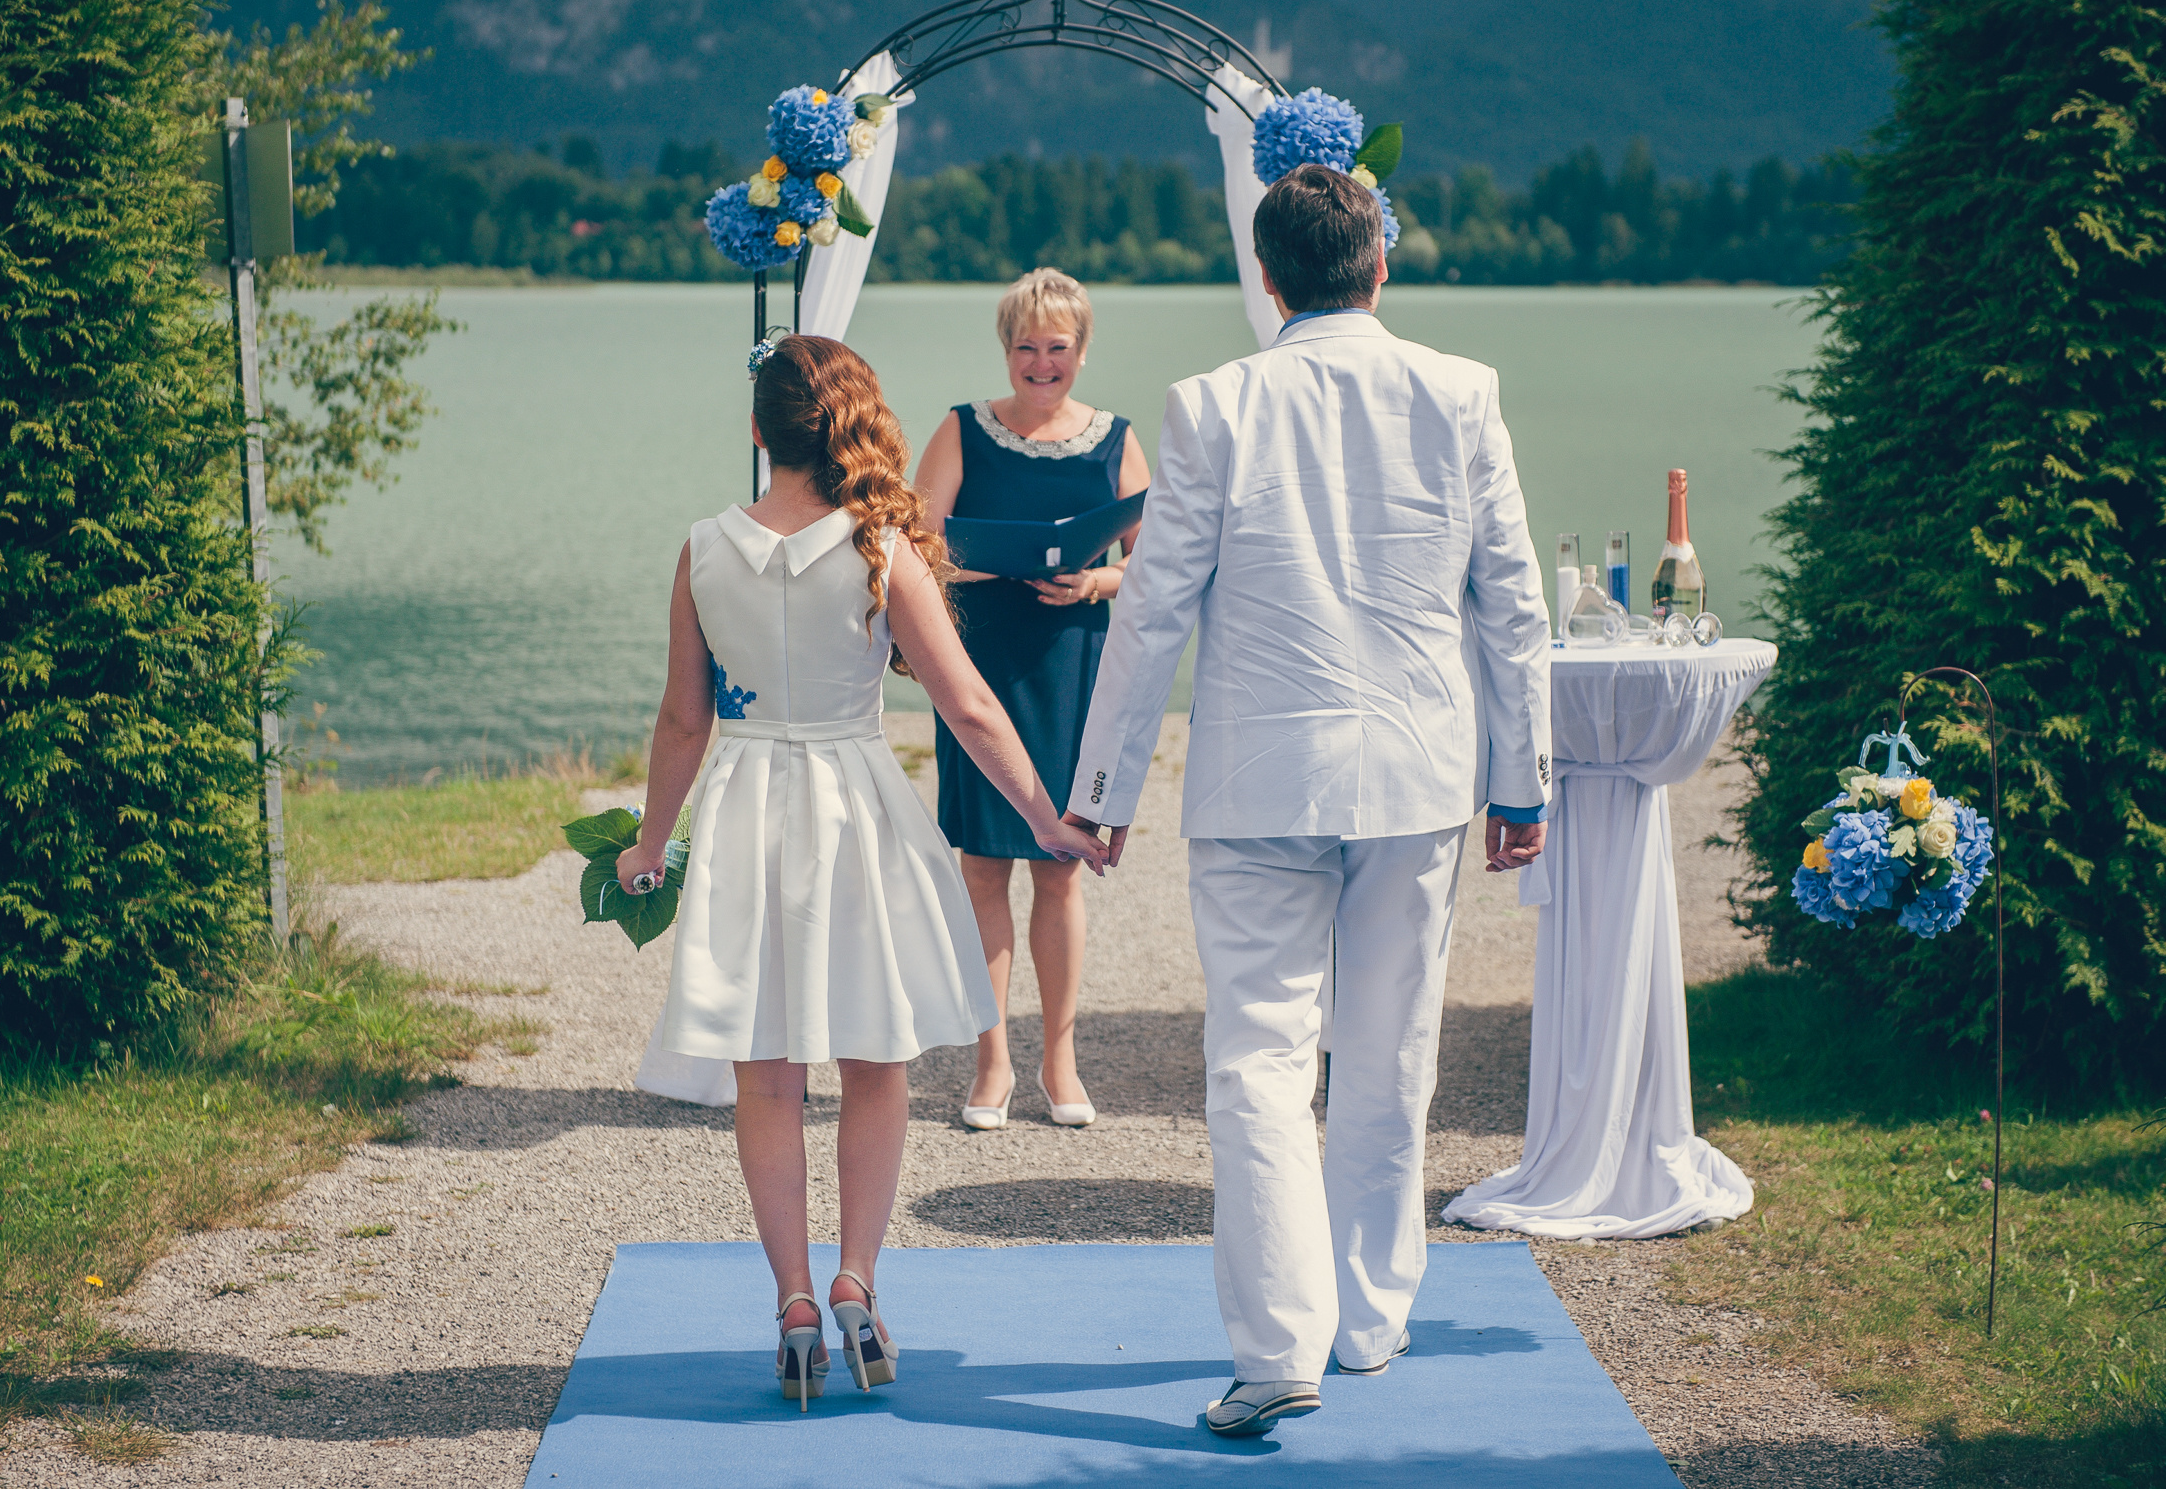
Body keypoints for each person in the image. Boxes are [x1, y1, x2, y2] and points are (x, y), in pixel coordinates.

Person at [1062, 166, 1552, 1437]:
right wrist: (1523, 780)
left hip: (1255, 782)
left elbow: (1153, 606)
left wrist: (1103, 788)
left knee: (1259, 1063)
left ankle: (1280, 1347)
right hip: (1418, 776)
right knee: (1390, 1052)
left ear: (1267, 280)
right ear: (1379, 264)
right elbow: (1513, 603)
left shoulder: (1212, 404)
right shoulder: (1463, 391)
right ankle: (1372, 1319)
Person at [614, 334, 1107, 1410]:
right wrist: (1049, 820)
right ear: (849, 424)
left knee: (768, 1068)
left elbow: (683, 720)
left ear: (759, 430)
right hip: (853, 798)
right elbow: (969, 705)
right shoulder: (883, 545)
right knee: (874, 1058)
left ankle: (792, 1300)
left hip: (747, 808)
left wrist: (651, 844)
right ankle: (858, 1282)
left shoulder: (704, 548)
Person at [914, 269, 1150, 1131]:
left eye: (1058, 348)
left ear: (1081, 352)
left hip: (1071, 667)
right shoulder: (961, 430)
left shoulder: (1117, 439)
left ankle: (1059, 1059)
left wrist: (1095, 581)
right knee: (983, 868)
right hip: (979, 664)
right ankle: (991, 1063)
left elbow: (1154, 564)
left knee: (1059, 869)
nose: (1041, 363)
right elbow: (910, 539)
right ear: (1005, 348)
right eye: (1027, 346)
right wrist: (962, 566)